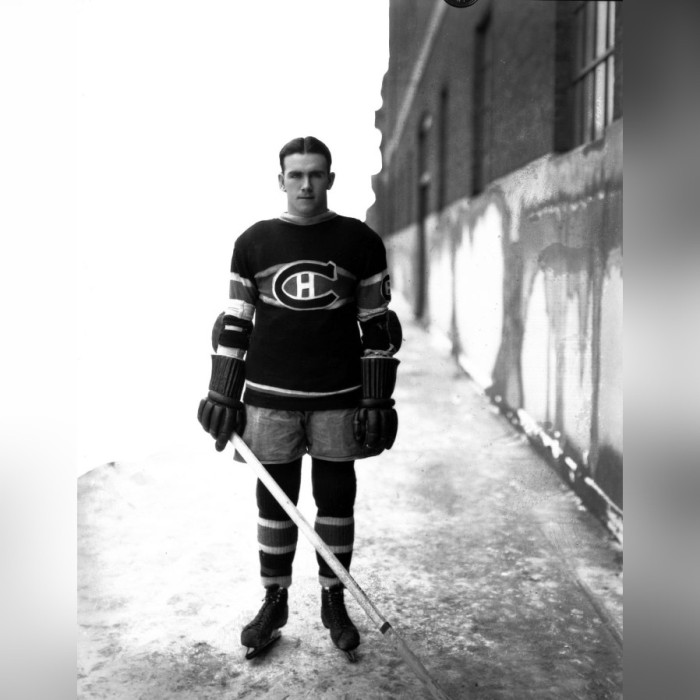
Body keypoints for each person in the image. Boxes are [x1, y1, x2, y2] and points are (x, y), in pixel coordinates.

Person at [198, 136, 400, 660]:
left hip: (339, 396)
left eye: (315, 174)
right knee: (275, 501)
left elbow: (377, 326)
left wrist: (377, 398)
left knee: (336, 498)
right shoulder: (253, 243)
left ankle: (335, 600)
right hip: (269, 399)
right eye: (295, 175)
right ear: (280, 180)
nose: (305, 184)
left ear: (330, 178)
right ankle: (275, 601)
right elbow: (236, 322)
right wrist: (223, 391)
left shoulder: (360, 242)